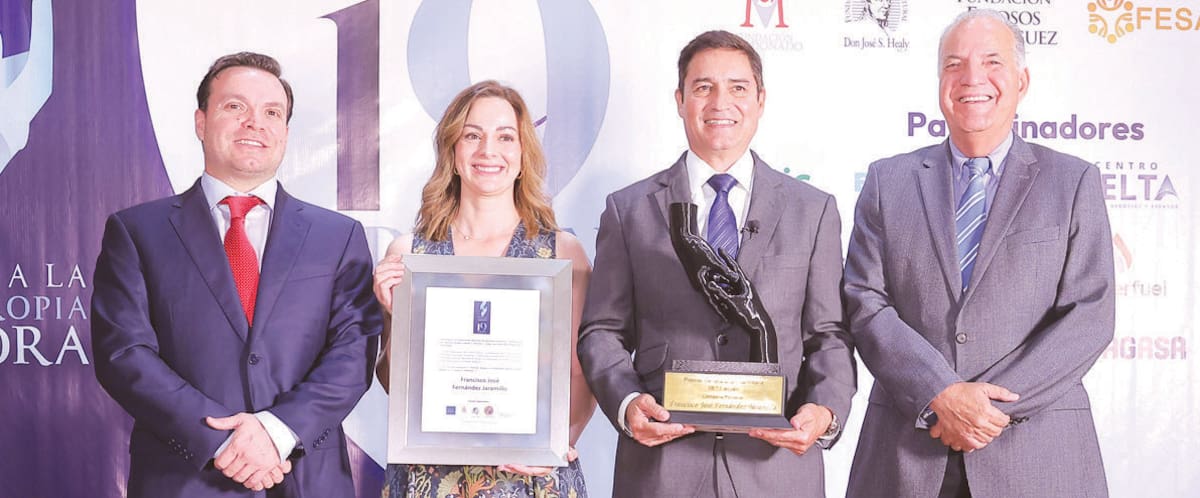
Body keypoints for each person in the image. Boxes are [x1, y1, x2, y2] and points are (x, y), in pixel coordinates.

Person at [844, 9, 1114, 498]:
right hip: (907, 452)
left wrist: (987, 409)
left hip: (1036, 455)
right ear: (939, 82)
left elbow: (1090, 315)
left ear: (1021, 80)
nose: (972, 78)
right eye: (954, 64)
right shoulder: (889, 181)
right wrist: (938, 392)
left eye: (993, 62)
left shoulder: (1073, 182)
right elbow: (864, 301)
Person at [576, 30, 856, 497]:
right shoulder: (629, 210)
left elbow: (829, 335)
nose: (720, 101)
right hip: (664, 466)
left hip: (776, 466)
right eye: (703, 87)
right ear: (680, 99)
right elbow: (602, 330)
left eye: (738, 87)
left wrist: (824, 411)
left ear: (761, 99)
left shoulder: (814, 210)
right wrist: (626, 403)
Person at [91, 52, 381, 497]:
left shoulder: (338, 237)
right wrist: (224, 440)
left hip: (304, 478)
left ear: (285, 131)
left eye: (271, 112)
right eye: (235, 107)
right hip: (184, 479)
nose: (254, 123)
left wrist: (277, 432)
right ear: (200, 122)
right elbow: (124, 355)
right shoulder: (136, 232)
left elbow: (353, 353)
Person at [372, 80, 595, 498]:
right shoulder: (410, 255)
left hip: (531, 478)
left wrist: (556, 444)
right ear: (452, 153)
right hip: (430, 478)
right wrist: (394, 317)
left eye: (505, 137)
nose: (488, 151)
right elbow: (394, 384)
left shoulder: (563, 254)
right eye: (472, 135)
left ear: (523, 155)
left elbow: (579, 372)